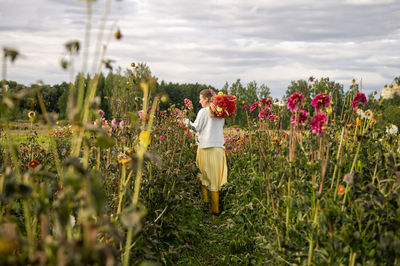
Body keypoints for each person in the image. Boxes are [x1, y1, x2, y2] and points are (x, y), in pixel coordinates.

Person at [187, 88, 228, 215]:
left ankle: (205, 205)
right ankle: (215, 209)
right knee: (215, 180)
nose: (199, 102)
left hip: (205, 148)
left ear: (206, 99)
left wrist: (183, 120)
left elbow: (194, 128)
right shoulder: (221, 113)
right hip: (218, 149)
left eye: (200, 99)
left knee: (203, 176)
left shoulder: (203, 111)